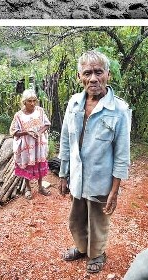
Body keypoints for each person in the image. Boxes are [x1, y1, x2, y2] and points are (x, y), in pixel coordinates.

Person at [59, 50, 131, 275]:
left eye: (98, 72)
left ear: (107, 75)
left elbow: (121, 154)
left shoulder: (119, 109)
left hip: (101, 180)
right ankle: (82, 248)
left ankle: (97, 253)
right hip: (77, 177)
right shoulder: (74, 103)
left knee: (98, 221)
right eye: (87, 73)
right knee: (76, 219)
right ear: (80, 76)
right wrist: (63, 173)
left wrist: (115, 191)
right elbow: (65, 139)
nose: (93, 78)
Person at [9, 88, 51, 199]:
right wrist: (26, 132)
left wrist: (39, 132)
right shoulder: (18, 116)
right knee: (26, 164)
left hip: (38, 144)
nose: (32, 103)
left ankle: (41, 186)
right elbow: (13, 132)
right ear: (24, 102)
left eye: (34, 101)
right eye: (29, 101)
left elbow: (47, 124)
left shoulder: (40, 111)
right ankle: (28, 188)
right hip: (26, 146)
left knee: (39, 163)